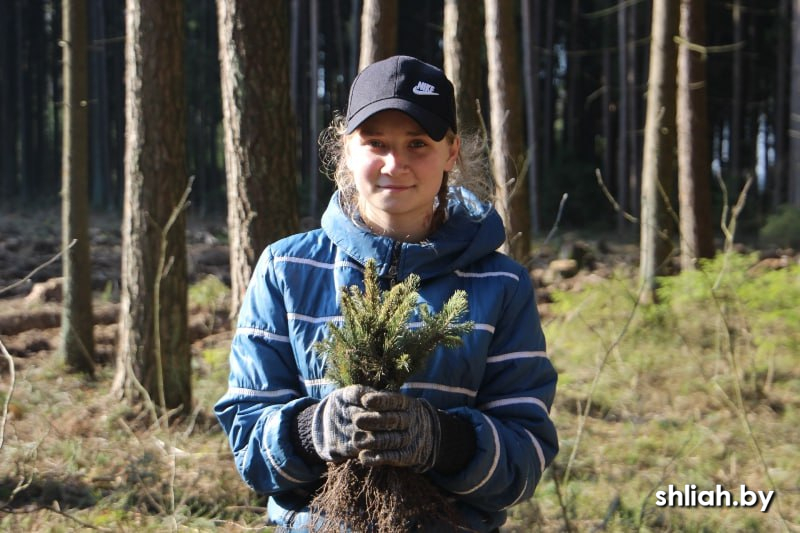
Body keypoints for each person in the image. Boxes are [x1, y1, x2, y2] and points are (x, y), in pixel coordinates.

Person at [215, 55, 558, 532]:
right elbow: (248, 440)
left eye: (418, 144)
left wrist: (444, 440)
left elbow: (526, 454)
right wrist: (312, 431)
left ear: (452, 152)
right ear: (347, 150)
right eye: (376, 143)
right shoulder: (287, 269)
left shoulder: (501, 285)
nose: (395, 164)